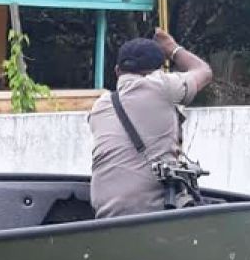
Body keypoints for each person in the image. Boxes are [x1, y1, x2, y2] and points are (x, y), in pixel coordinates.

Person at [88, 28, 213, 218]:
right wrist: (172, 48)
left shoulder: (99, 107)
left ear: (117, 71)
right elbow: (204, 72)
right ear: (159, 72)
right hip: (151, 217)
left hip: (106, 217)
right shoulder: (161, 86)